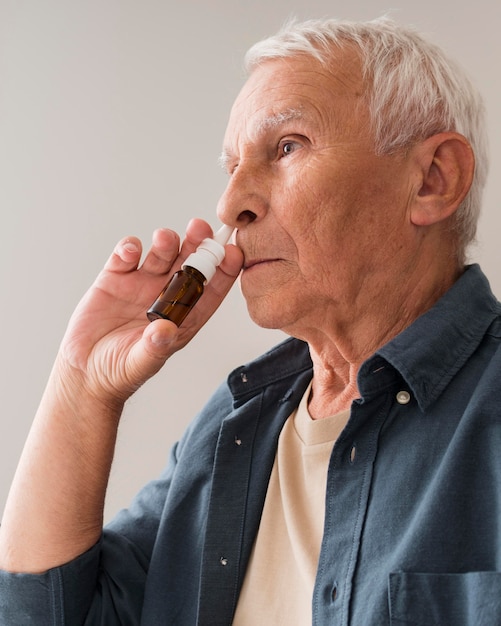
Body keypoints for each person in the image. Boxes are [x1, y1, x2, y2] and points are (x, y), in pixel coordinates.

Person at [0, 14, 499, 625]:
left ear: (432, 180)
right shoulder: (233, 425)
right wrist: (83, 384)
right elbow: (42, 616)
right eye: (231, 164)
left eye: (287, 146)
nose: (230, 203)